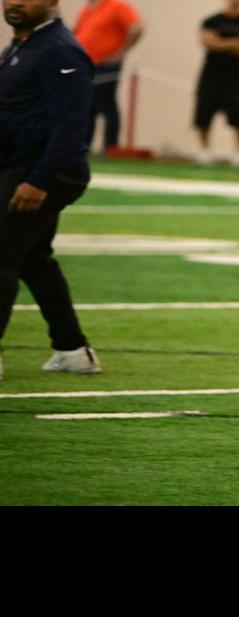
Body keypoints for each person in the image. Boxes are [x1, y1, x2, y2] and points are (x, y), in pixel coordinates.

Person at [1, 0, 100, 381]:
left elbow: (71, 127)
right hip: (22, 168)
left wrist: (40, 180)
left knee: (3, 253)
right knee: (33, 257)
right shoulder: (21, 47)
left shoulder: (60, 51)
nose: (16, 1)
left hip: (44, 172)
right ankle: (72, 349)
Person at [193, 0, 239, 167]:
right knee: (204, 111)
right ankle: (205, 151)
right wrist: (236, 43)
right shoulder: (211, 21)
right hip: (211, 75)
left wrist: (221, 43)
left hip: (236, 76)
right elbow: (208, 42)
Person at [71, 0, 139, 155]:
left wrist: (121, 52)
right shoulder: (87, 10)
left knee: (107, 104)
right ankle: (84, 146)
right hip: (86, 64)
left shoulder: (116, 6)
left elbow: (137, 28)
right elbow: (77, 32)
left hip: (106, 65)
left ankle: (110, 147)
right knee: (88, 107)